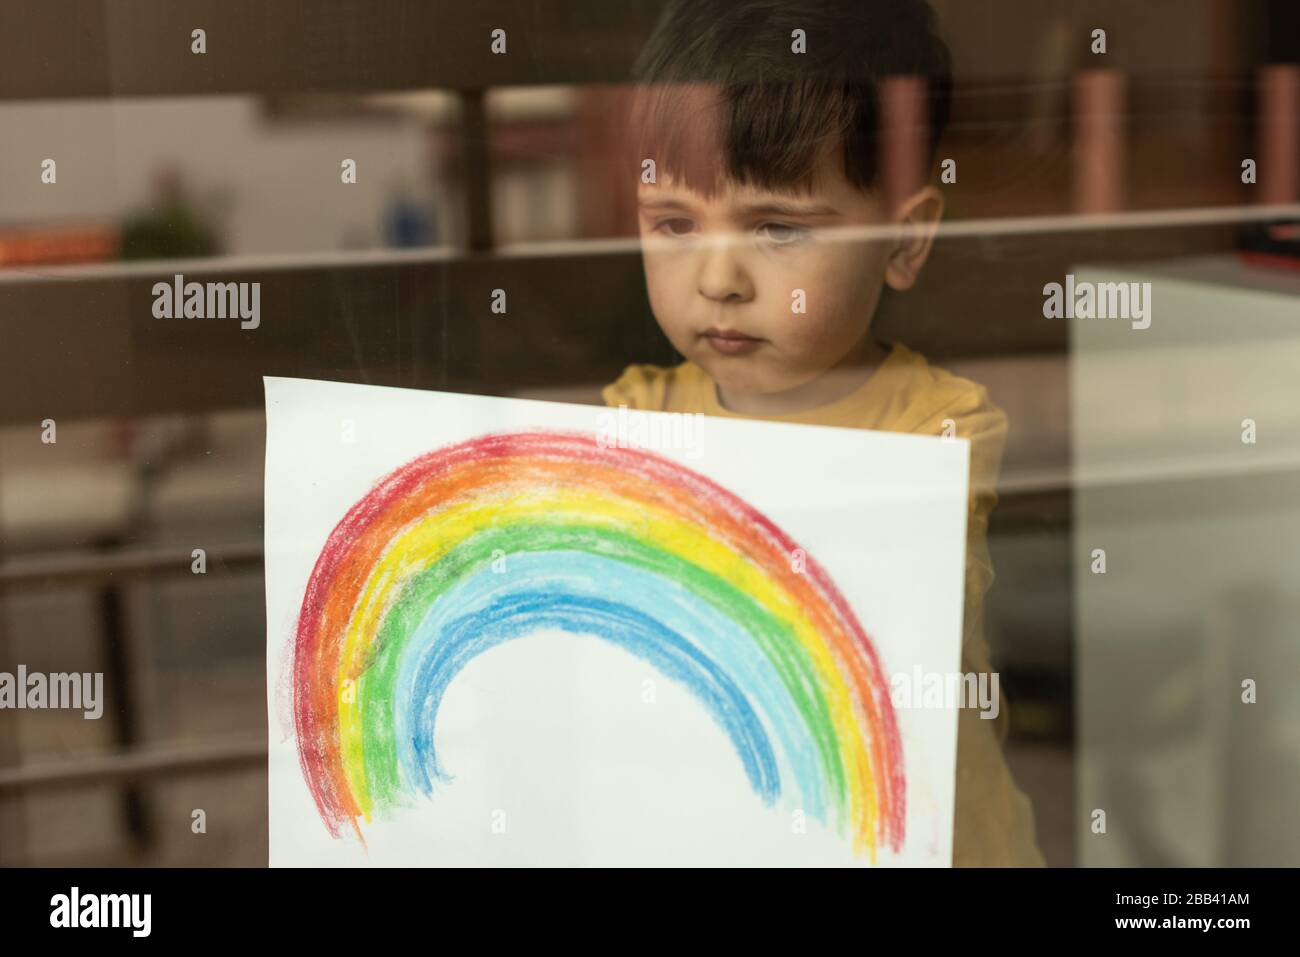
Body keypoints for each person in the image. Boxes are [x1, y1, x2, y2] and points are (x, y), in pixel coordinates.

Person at [603, 0, 1045, 866]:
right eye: (675, 223)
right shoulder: (638, 412)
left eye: (776, 228)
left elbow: (882, 620)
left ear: (903, 240)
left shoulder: (940, 425)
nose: (718, 278)